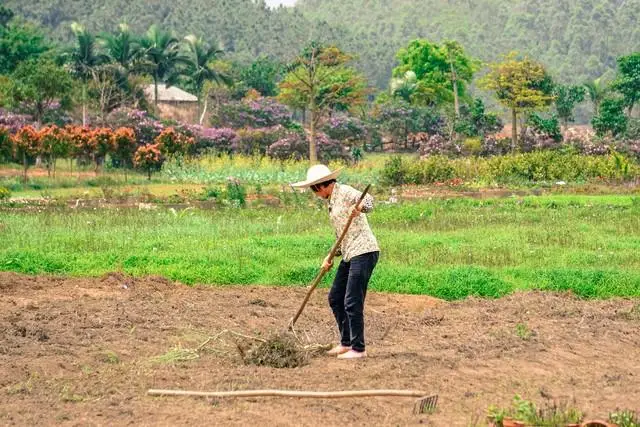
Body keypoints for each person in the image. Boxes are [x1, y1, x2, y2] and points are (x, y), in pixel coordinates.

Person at [292, 164, 380, 359]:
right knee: (335, 297)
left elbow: (370, 202)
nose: (314, 193)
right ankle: (346, 342)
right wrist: (330, 256)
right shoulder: (331, 202)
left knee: (352, 300)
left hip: (364, 250)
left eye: (314, 190)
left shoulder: (345, 191)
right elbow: (342, 235)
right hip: (349, 252)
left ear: (320, 187)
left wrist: (359, 208)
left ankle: (359, 349)